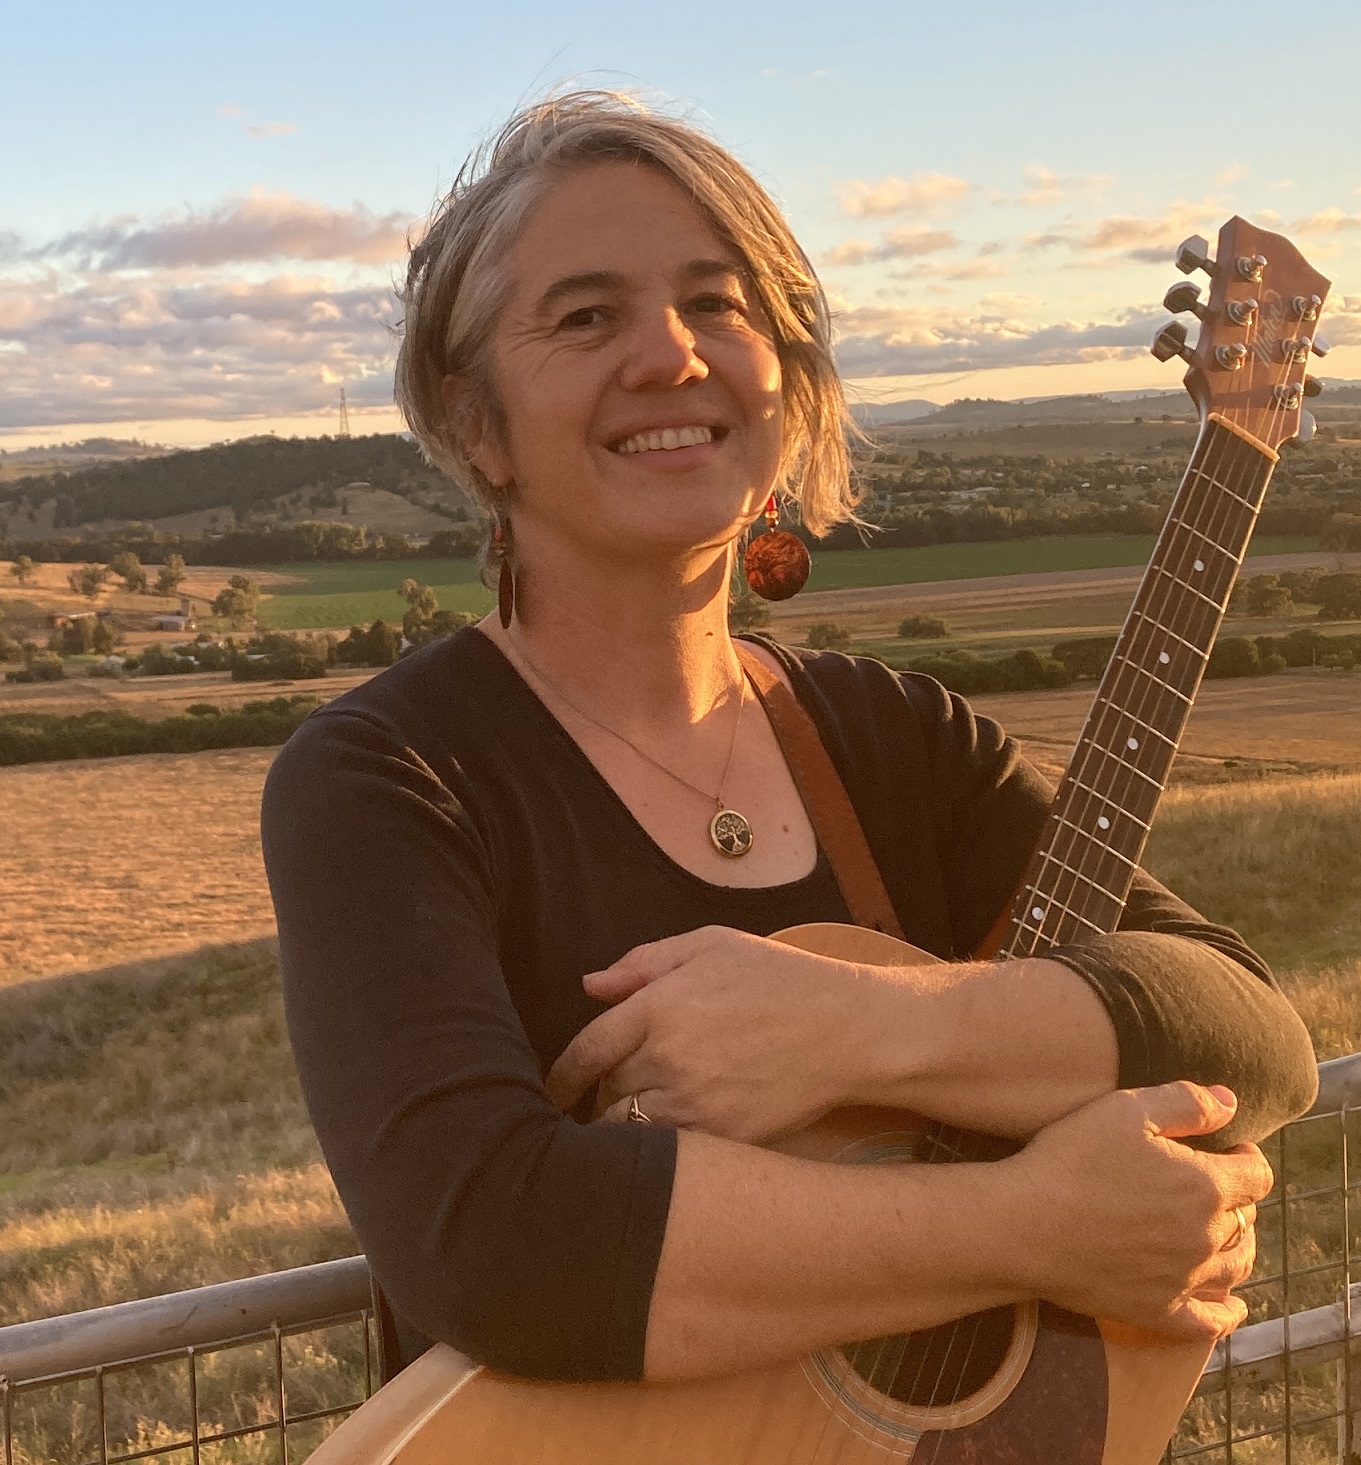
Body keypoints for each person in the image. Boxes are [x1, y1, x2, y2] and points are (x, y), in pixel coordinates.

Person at [260, 90, 1316, 1389]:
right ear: (474, 420)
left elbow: (1247, 1032)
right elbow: (490, 1240)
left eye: (717, 302)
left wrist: (867, 1025)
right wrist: (1032, 1225)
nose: (670, 353)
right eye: (586, 316)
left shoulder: (891, 734)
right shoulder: (387, 775)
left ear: (787, 376)